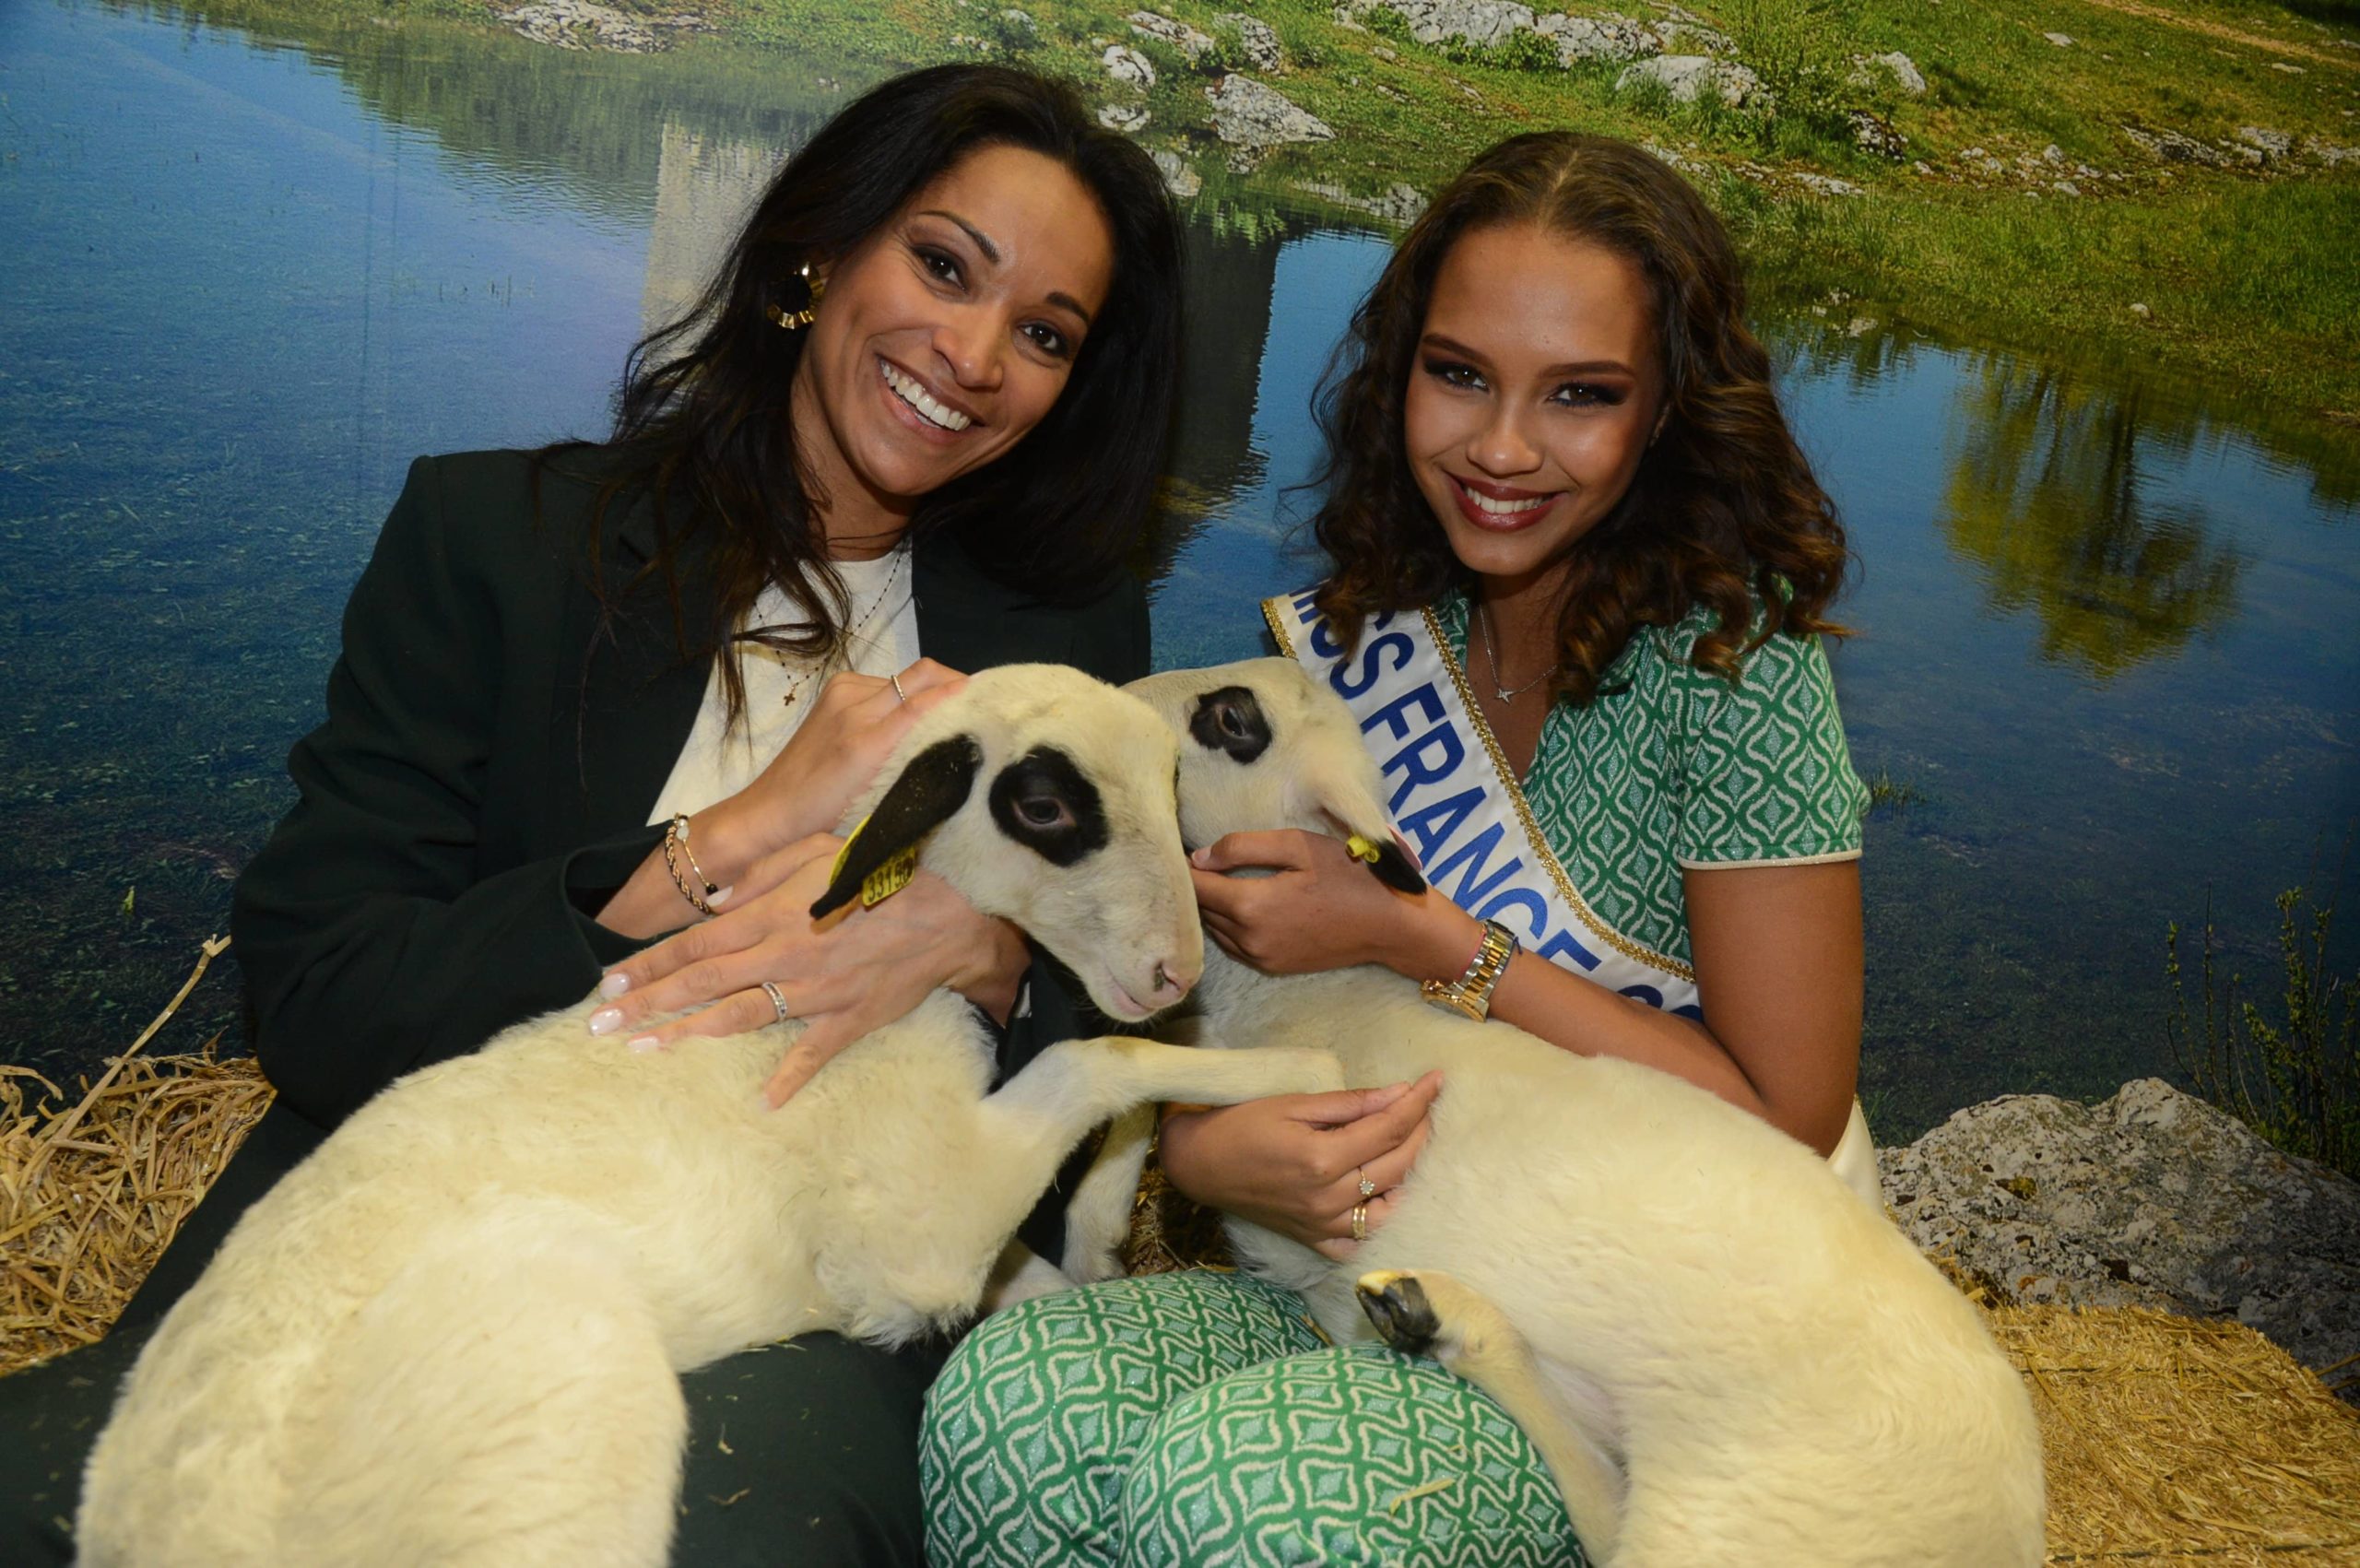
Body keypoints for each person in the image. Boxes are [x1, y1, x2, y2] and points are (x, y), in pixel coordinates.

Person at [0, 64, 1182, 1566]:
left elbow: (1098, 1056)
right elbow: (321, 996)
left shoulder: (1060, 643)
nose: (973, 354)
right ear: (822, 251)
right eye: (944, 265)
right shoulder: (498, 540)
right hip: (397, 1217)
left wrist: (986, 951)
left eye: (1046, 333)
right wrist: (727, 839)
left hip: (787, 1304)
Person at [920, 131, 1871, 1567]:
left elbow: (1783, 1116)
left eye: (1581, 394)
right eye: (1460, 373)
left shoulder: (1737, 674)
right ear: (1398, 372)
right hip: (1378, 1258)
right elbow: (1251, 1017)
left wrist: (1426, 938)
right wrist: (1212, 1151)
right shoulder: (1367, 638)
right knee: (1013, 1408)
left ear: (1669, 407)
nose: (1502, 447)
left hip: (1642, 1339)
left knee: (1243, 1501)